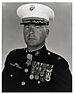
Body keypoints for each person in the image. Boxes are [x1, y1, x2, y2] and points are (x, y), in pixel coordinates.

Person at [2, 3, 72, 92]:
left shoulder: (59, 64)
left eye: (37, 27)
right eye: (27, 27)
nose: (31, 32)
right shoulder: (13, 56)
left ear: (47, 33)